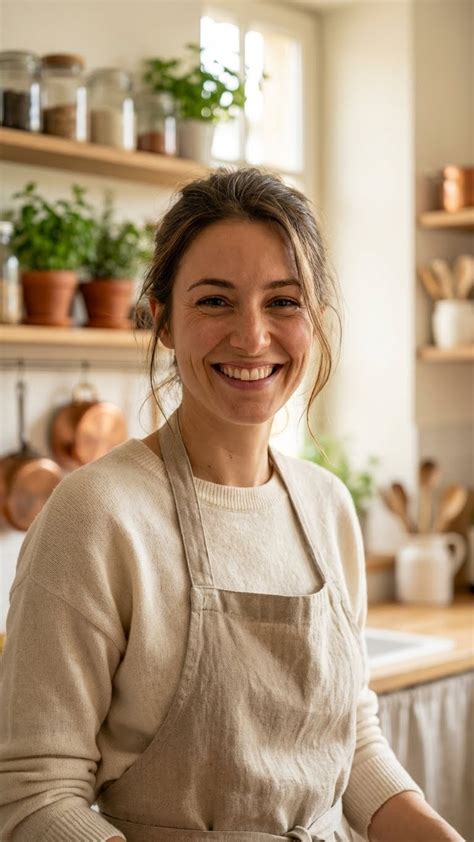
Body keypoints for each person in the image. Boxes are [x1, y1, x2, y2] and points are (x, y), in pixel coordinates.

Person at [0, 168, 463, 842]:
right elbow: (35, 799)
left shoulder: (326, 505)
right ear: (162, 320)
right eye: (215, 301)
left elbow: (349, 738)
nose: (251, 337)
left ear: (316, 321)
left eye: (283, 302)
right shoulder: (96, 513)